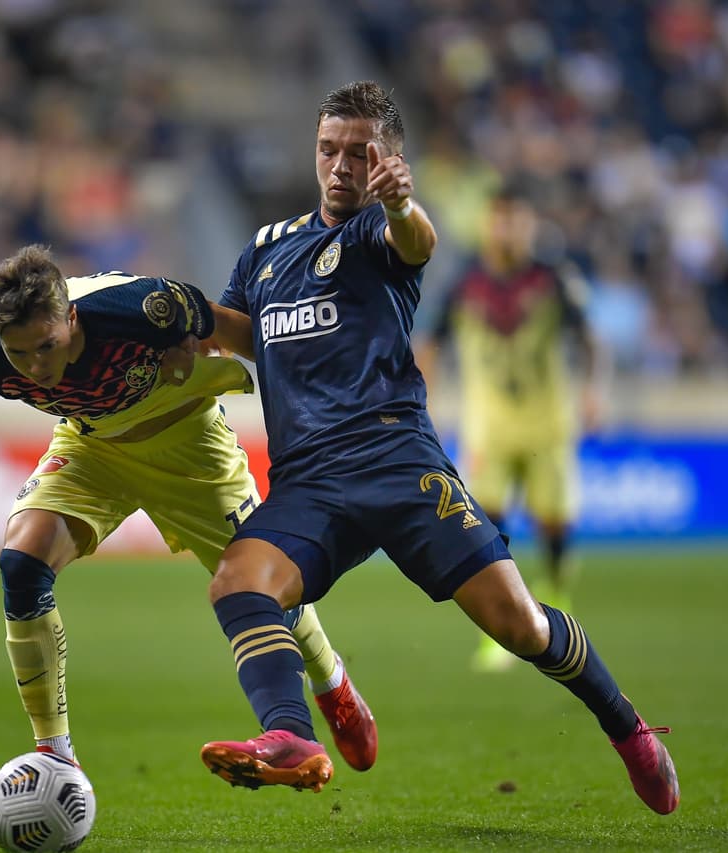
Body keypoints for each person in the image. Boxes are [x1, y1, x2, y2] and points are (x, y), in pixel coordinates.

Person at [197, 82, 678, 815]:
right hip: (309, 483)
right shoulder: (266, 249)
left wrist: (396, 203)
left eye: (360, 154)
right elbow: (235, 334)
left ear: (388, 159)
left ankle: (628, 728)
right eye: (329, 149)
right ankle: (291, 736)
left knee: (521, 624)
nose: (340, 166)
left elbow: (416, 238)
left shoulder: (378, 233)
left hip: (399, 465)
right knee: (237, 581)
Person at [0, 244, 377, 772]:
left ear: (71, 315)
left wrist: (329, 391)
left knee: (263, 586)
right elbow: (47, 378)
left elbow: (248, 336)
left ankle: (331, 680)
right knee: (21, 564)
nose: (36, 367)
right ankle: (55, 754)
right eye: (20, 354)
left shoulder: (141, 307)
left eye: (46, 346)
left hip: (192, 450)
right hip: (95, 451)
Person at [424, 183, 609, 672]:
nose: (507, 229)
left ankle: (556, 595)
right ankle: (502, 626)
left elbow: (590, 338)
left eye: (516, 219)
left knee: (553, 520)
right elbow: (431, 344)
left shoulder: (553, 278)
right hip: (488, 427)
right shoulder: (463, 282)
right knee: (486, 523)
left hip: (548, 423)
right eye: (500, 218)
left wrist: (593, 390)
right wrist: (424, 402)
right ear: (488, 223)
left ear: (530, 225)